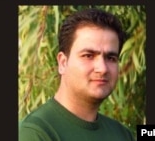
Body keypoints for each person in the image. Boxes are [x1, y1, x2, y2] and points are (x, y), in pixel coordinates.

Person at [19, 8, 135, 141]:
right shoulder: (35, 133)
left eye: (111, 58)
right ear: (63, 63)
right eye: (88, 56)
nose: (102, 68)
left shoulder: (122, 134)